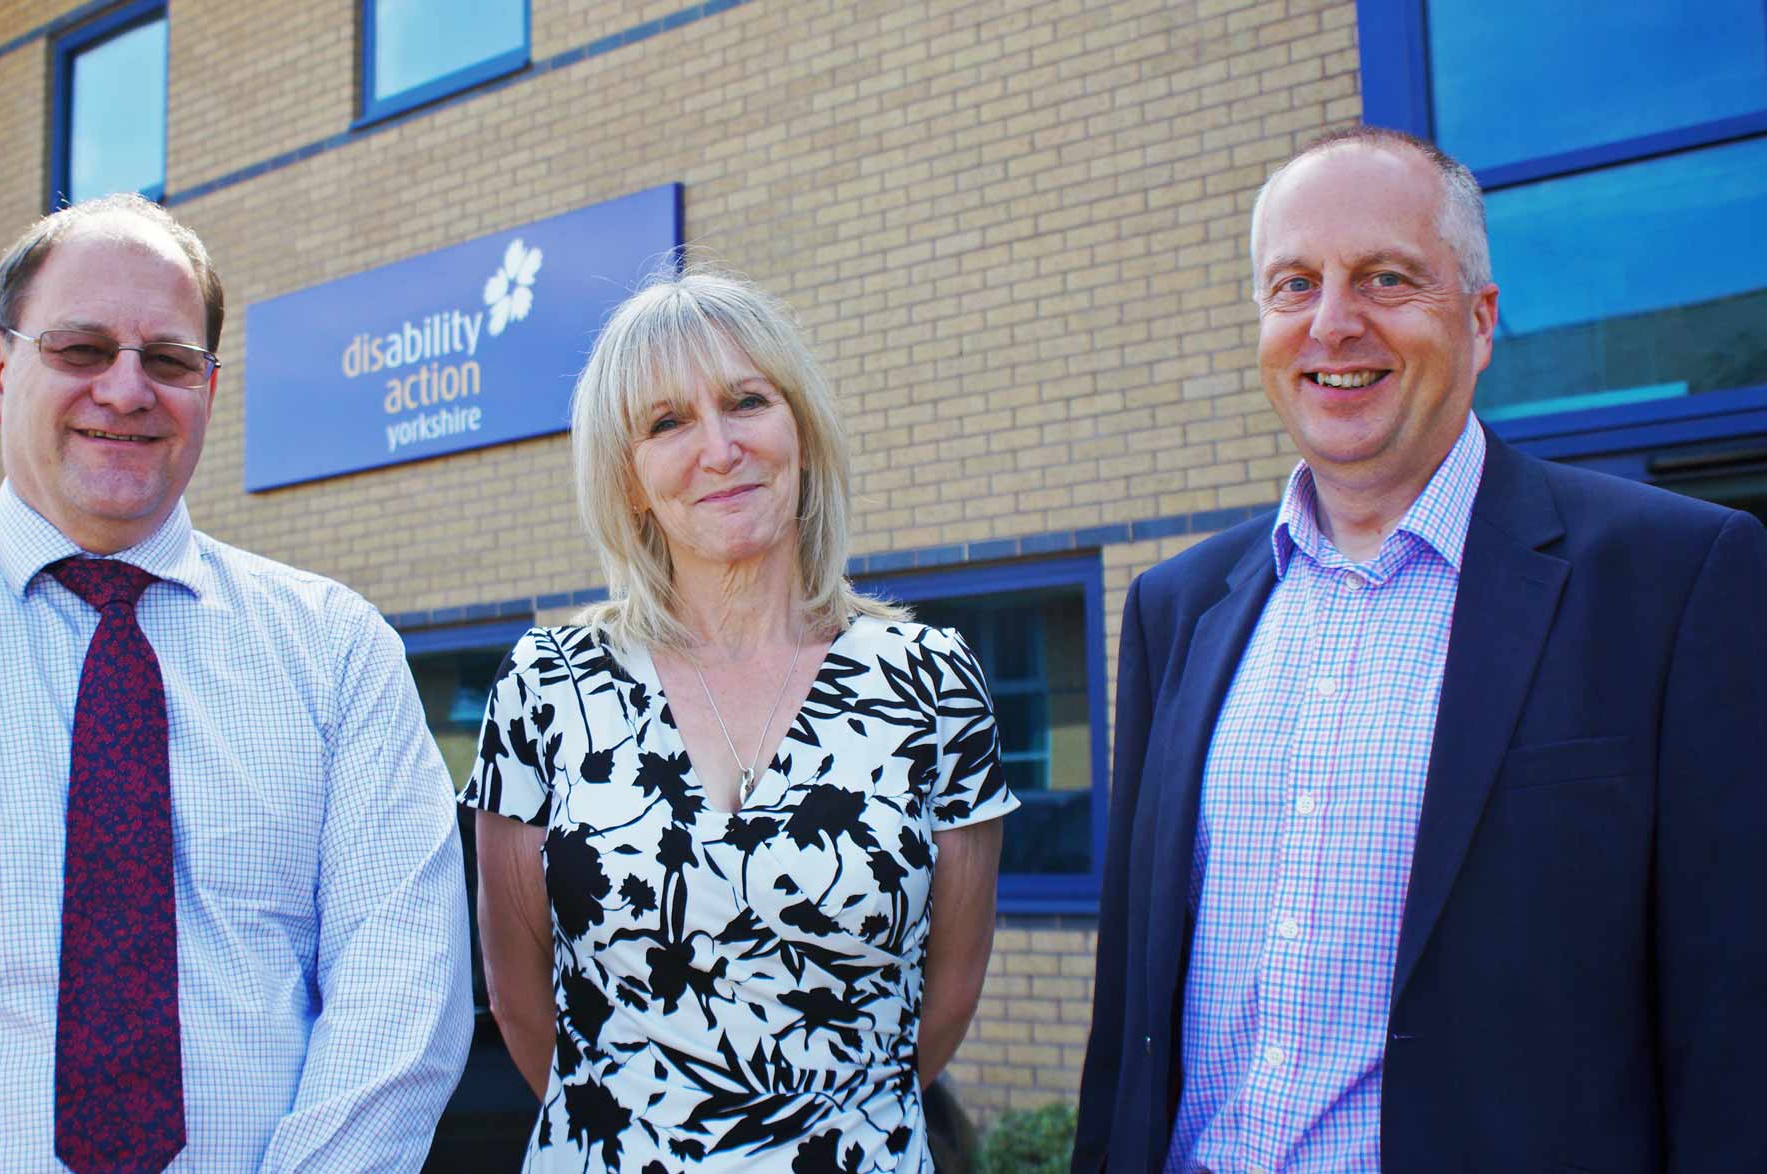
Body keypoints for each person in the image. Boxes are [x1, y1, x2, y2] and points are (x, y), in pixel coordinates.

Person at [1071, 125, 1767, 1173]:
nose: (1331, 323)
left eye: (1384, 278)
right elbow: (1127, 1008)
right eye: (1292, 284)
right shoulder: (1176, 607)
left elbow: (1731, 1017)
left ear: (1479, 321)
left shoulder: (1671, 579)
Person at [0, 194, 473, 1171]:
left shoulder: (335, 652)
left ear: (209, 392)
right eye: (82, 349)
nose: (127, 389)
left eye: (169, 361)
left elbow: (402, 985)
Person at [464, 271, 1016, 1171]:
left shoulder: (931, 679)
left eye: (746, 401)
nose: (719, 448)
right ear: (631, 481)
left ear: (800, 430)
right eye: (667, 422)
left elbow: (948, 996)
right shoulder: (547, 684)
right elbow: (520, 1001)